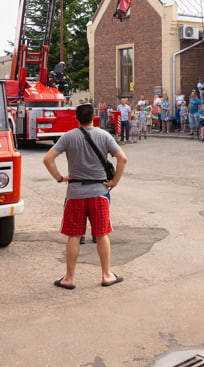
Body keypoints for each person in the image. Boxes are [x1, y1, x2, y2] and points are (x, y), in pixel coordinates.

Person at [42, 103, 127, 290]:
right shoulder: (104, 135)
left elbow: (47, 159)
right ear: (94, 116)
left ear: (77, 118)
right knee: (102, 234)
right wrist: (114, 182)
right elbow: (122, 158)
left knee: (74, 235)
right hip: (99, 192)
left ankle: (69, 278)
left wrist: (60, 178)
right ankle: (106, 275)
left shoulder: (68, 137)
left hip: (75, 194)